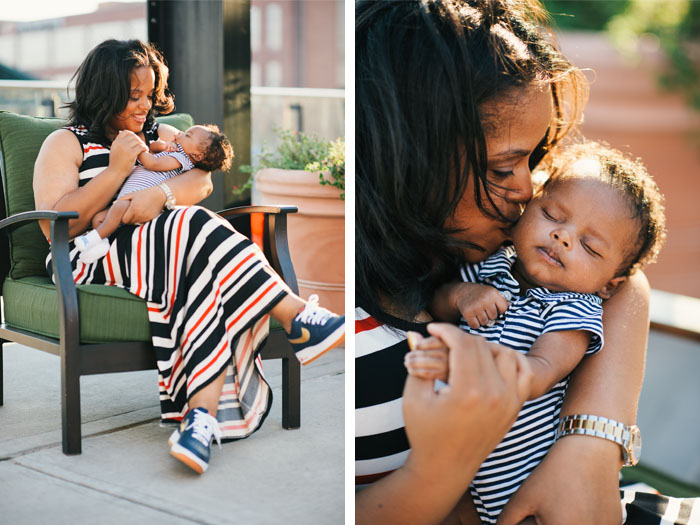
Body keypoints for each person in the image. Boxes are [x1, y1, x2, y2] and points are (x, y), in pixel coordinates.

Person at [355, 1, 652, 523]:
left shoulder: (485, 243)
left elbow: (622, 274)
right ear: (407, 156)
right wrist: (448, 465)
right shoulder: (353, 313)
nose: (529, 193)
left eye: (534, 160)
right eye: (502, 168)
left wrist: (592, 442)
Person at [33, 39, 345, 475]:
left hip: (165, 246)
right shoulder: (65, 142)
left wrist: (158, 195)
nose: (144, 107)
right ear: (104, 91)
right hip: (90, 255)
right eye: (133, 96)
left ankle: (199, 420)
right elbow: (54, 224)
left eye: (149, 94)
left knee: (195, 255)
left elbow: (201, 185)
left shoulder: (160, 136)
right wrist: (118, 170)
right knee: (192, 225)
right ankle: (294, 315)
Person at [405, 141, 667, 523]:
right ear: (526, 212)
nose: (563, 237)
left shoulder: (576, 306)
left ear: (609, 285)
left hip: (524, 481)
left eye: (590, 247)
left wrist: (505, 372)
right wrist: (463, 295)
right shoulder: (490, 266)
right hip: (456, 477)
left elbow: (547, 365)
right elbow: (437, 307)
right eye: (552, 215)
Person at [74, 124, 234, 263]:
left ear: (197, 155)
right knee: (99, 218)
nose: (180, 134)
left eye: (187, 135)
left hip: (135, 200)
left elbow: (152, 163)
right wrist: (163, 146)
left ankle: (92, 238)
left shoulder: (182, 160)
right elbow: (154, 149)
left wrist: (138, 147)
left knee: (115, 211)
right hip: (127, 197)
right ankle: (102, 245)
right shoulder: (175, 150)